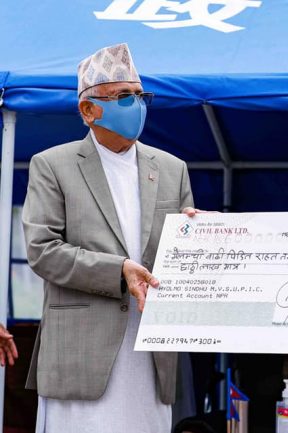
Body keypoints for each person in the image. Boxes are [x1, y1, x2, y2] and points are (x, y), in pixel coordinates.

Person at [22, 43, 196, 433]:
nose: (136, 106)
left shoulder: (172, 168)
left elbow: (184, 250)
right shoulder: (53, 165)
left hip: (151, 348)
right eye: (123, 96)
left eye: (140, 95)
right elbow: (42, 251)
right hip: (80, 353)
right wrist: (119, 270)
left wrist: (204, 235)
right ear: (88, 110)